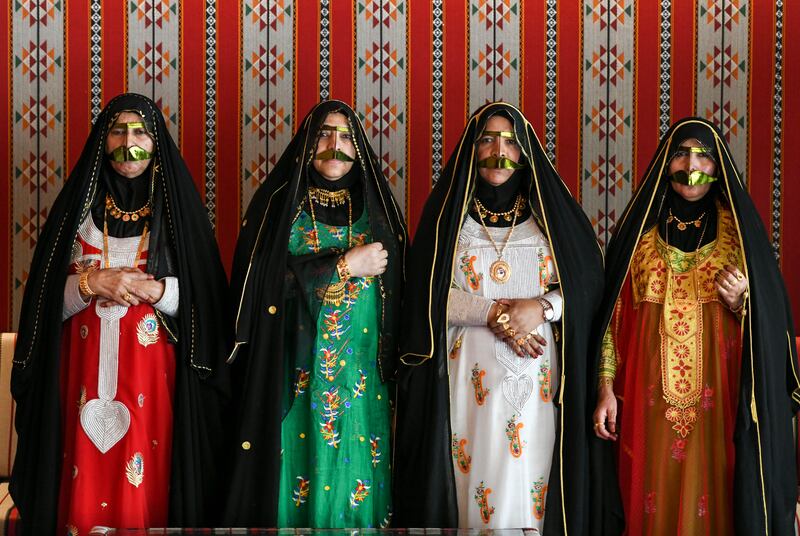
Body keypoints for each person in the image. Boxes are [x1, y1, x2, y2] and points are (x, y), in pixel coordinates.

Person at [10, 93, 231, 534]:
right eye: (118, 130)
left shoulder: (179, 220)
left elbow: (209, 305)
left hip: (155, 386)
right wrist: (94, 284)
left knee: (150, 483)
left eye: (140, 132)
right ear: (102, 140)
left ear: (155, 143)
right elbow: (40, 303)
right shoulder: (74, 215)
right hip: (79, 383)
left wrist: (157, 290)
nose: (128, 142)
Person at [394, 102, 610, 533]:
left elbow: (588, 293)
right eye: (488, 139)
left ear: (525, 152)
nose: (499, 149)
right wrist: (493, 312)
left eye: (510, 141)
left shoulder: (552, 223)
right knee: (473, 487)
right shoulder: (447, 223)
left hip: (538, 388)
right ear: (472, 150)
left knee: (530, 486)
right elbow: (425, 298)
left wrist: (541, 308)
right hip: (467, 384)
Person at [592, 118, 799, 534]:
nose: (691, 163)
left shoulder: (740, 238)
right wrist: (604, 389)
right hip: (643, 403)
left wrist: (745, 305)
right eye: (682, 153)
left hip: (718, 405)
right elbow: (610, 322)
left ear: (719, 167)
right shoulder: (639, 237)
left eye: (703, 154)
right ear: (666, 164)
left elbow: (771, 329)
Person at [223, 100, 406, 528]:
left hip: (362, 382)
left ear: (359, 148)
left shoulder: (381, 216)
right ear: (308, 143)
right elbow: (261, 288)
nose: (334, 145)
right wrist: (343, 266)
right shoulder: (279, 210)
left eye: (345, 136)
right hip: (294, 375)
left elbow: (403, 298)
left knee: (357, 477)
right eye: (324, 134)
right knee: (294, 477)